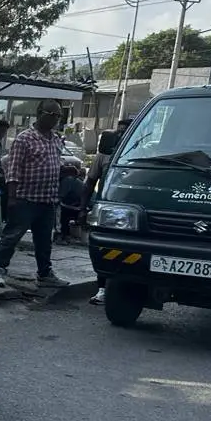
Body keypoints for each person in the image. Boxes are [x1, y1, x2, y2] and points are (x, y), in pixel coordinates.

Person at [0, 101, 69, 289]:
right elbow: (13, 168)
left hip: (48, 199)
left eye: (59, 116)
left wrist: (66, 171)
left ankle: (44, 273)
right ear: (40, 114)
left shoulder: (56, 139)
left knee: (44, 240)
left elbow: (54, 165)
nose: (55, 119)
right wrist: (12, 197)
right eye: (52, 114)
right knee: (12, 235)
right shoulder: (24, 139)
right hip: (25, 198)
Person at [82, 118, 132, 305]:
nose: (119, 135)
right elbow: (89, 182)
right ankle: (102, 289)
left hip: (131, 213)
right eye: (118, 132)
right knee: (104, 250)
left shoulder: (142, 155)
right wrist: (82, 207)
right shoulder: (103, 156)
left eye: (125, 132)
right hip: (108, 210)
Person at [58, 164, 85, 242]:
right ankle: (66, 235)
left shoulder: (67, 180)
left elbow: (60, 196)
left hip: (80, 207)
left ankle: (65, 235)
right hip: (81, 205)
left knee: (63, 214)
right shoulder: (76, 180)